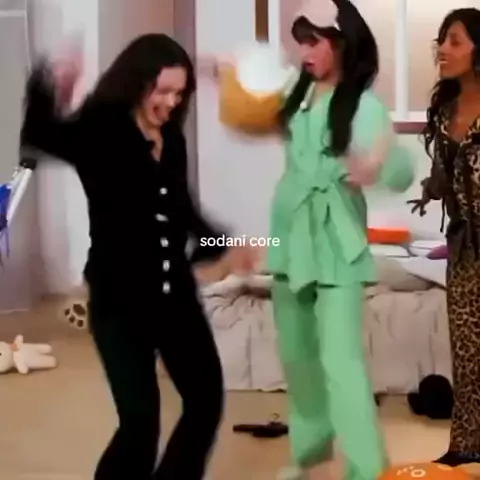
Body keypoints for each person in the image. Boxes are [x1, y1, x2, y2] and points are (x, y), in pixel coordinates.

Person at [20, 33, 256, 480]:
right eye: (162, 91)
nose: (171, 103)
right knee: (140, 425)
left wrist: (227, 246)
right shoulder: (100, 130)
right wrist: (50, 83)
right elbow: (36, 136)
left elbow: (183, 214)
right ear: (136, 82)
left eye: (179, 93)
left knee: (205, 401)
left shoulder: (172, 139)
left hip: (175, 298)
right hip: (119, 303)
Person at [204, 0, 415, 478]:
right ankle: (309, 455)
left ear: (342, 43)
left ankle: (367, 469)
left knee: (342, 363)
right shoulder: (294, 96)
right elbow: (250, 118)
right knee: (298, 359)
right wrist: (227, 78)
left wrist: (374, 167)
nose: (305, 52)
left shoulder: (364, 106)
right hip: (289, 235)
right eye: (301, 41)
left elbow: (400, 169)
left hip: (337, 241)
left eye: (314, 41)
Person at [408, 7, 480, 467]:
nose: (444, 50)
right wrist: (430, 191)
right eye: (441, 41)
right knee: (468, 355)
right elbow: (444, 169)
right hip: (465, 248)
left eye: (455, 41)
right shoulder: (446, 111)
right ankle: (466, 444)